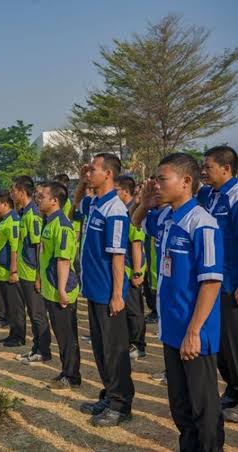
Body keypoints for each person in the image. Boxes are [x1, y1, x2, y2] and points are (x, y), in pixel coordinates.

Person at [134, 152, 225, 451]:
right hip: (173, 329)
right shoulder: (167, 217)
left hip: (194, 332)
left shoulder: (202, 223)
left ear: (186, 181)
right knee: (180, 405)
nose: (156, 185)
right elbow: (137, 225)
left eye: (162, 179)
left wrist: (194, 331)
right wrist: (144, 205)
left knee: (203, 407)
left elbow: (211, 282)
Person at [74, 152, 135, 427]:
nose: (90, 173)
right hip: (94, 291)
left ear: (108, 174)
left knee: (114, 350)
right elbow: (75, 205)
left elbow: (118, 256)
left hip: (109, 294)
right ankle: (109, 395)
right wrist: (81, 177)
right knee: (100, 349)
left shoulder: (115, 210)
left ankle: (121, 404)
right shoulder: (94, 202)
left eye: (94, 169)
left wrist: (118, 294)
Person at [198, 145, 238, 423]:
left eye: (209, 167)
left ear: (226, 168)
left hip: (231, 282)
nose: (204, 171)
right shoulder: (210, 194)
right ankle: (233, 389)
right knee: (222, 345)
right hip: (214, 281)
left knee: (234, 344)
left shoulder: (235, 196)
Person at [37, 181, 81, 389]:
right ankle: (66, 370)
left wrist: (62, 290)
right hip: (51, 286)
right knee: (60, 334)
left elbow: (63, 260)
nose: (39, 199)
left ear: (54, 201)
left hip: (61, 289)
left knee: (67, 335)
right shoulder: (49, 221)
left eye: (43, 196)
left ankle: (72, 376)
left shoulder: (62, 225)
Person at [11, 176, 51, 363]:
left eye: (14, 190)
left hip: (32, 272)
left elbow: (37, 247)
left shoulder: (33, 215)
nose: (12, 194)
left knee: (37, 313)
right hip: (25, 271)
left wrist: (37, 275)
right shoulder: (24, 213)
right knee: (32, 312)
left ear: (21, 191)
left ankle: (43, 350)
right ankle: (36, 347)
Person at [115, 175, 147, 360]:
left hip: (131, 269)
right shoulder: (122, 210)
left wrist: (137, 271)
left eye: (116, 190)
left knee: (135, 310)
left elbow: (136, 244)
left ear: (125, 191)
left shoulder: (132, 213)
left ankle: (138, 344)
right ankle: (129, 341)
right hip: (124, 268)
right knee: (127, 309)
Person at [0, 192, 24, 345]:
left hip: (9, 272)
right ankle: (13, 333)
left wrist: (13, 271)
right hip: (2, 271)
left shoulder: (13, 221)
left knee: (16, 306)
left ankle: (19, 337)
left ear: (5, 204)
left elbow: (14, 249)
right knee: (9, 304)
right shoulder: (4, 220)